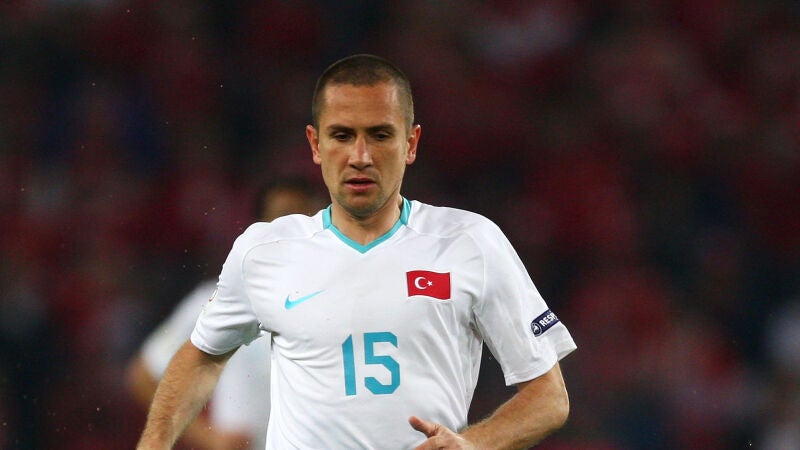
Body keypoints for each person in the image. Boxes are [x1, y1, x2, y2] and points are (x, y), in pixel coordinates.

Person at [137, 54, 577, 450]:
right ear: (315, 144)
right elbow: (203, 355)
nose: (360, 155)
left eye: (380, 135)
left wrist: (473, 444)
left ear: (411, 143)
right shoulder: (264, 250)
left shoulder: (470, 243)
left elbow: (548, 397)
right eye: (342, 135)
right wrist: (154, 443)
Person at [127, 176, 323, 450]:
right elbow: (144, 374)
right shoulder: (225, 300)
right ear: (260, 228)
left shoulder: (341, 299)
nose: (293, 232)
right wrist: (209, 438)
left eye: (304, 220)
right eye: (282, 219)